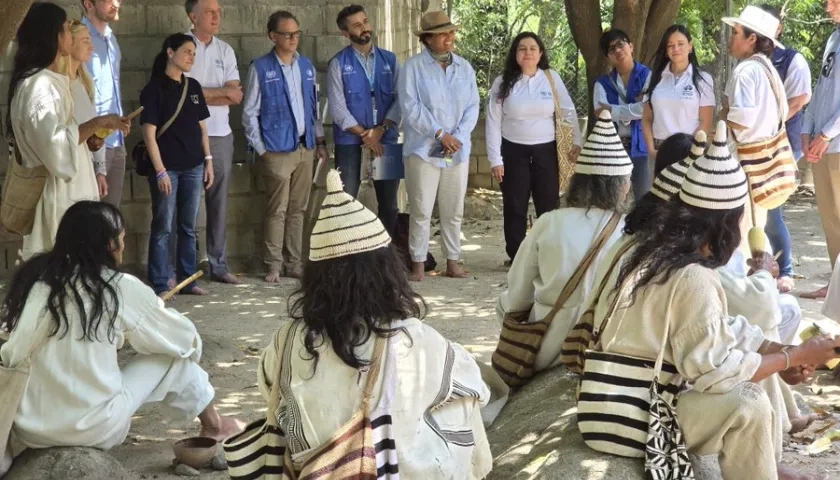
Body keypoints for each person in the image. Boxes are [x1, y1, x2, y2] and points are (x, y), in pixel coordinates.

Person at [582, 124, 838, 480]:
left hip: (603, 404)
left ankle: (769, 470)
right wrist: (791, 357)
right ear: (728, 223)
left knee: (750, 369)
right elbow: (717, 376)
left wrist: (781, 350)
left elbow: (717, 328)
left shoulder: (645, 250)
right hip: (637, 417)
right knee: (748, 401)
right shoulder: (692, 275)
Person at [254, 169, 492, 478]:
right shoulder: (415, 340)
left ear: (315, 278)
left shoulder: (286, 340)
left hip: (315, 471)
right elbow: (478, 388)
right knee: (461, 402)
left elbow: (268, 390)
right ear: (386, 271)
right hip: (389, 469)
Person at [0, 201, 244, 460]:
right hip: (94, 429)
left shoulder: (35, 283)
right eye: (122, 238)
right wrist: (153, 310)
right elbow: (183, 340)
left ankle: (215, 424)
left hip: (30, 430)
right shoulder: (118, 286)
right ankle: (216, 425)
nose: (124, 246)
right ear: (110, 245)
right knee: (174, 356)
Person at [495, 110, 630, 372]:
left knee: (503, 301)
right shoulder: (630, 231)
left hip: (546, 347)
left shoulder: (550, 222)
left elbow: (518, 293)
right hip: (604, 343)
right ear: (622, 187)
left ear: (577, 183)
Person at [7, 2, 128, 261]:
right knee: (62, 264)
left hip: (73, 192)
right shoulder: (40, 86)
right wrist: (96, 123)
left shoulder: (50, 81)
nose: (70, 36)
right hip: (59, 197)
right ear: (54, 36)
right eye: (65, 29)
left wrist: (90, 140)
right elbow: (56, 146)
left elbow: (67, 136)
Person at [242, 10, 328, 283]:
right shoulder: (260, 68)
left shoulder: (306, 66)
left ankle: (294, 263)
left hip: (305, 147)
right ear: (273, 36)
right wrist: (262, 150)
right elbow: (249, 113)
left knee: (298, 208)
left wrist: (319, 141)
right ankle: (273, 265)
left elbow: (314, 108)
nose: (293, 38)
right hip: (276, 150)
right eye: (287, 34)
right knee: (277, 209)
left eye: (296, 33)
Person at [486, 32, 582, 263]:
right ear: (515, 54)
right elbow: (493, 120)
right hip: (512, 151)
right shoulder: (502, 82)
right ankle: (517, 257)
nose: (527, 53)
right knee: (515, 205)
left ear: (540, 54)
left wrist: (577, 142)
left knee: (548, 204)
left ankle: (548, 256)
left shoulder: (551, 78)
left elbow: (568, 110)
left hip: (546, 151)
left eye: (532, 48)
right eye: (522, 48)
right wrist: (495, 159)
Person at [399, 11, 480, 281]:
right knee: (421, 208)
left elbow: (473, 106)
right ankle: (418, 263)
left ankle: (453, 261)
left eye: (451, 32)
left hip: (456, 148)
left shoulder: (464, 68)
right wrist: (440, 134)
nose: (449, 38)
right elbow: (410, 106)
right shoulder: (413, 67)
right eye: (442, 34)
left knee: (453, 208)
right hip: (423, 149)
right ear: (428, 39)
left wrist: (457, 137)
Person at [139, 33, 215, 297]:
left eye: (194, 53)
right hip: (167, 168)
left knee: (188, 226)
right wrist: (160, 170)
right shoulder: (154, 89)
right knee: (163, 225)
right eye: (186, 52)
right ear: (170, 53)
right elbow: (149, 133)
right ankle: (161, 281)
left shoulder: (193, 87)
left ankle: (188, 279)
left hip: (194, 165)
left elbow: (202, 128)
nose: (191, 57)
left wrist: (208, 160)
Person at [722, 6, 790, 271]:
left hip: (743, 164)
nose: (731, 38)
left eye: (736, 33)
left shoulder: (746, 71)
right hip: (766, 165)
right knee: (755, 229)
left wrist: (722, 118)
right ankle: (763, 279)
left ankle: (748, 283)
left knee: (739, 233)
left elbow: (742, 120)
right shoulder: (769, 71)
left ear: (752, 38)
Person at [327, 4, 401, 238]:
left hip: (386, 139)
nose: (364, 28)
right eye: (357, 25)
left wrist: (380, 130)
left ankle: (387, 252)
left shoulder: (390, 60)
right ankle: (349, 253)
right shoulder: (338, 63)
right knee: (346, 201)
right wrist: (366, 136)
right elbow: (338, 109)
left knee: (389, 204)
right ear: (345, 32)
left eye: (365, 21)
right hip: (349, 142)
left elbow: (400, 100)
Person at [183, 0, 244, 285]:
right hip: (187, 135)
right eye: (209, 12)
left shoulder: (225, 50)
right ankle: (187, 266)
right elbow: (182, 92)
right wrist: (218, 94)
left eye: (218, 11)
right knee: (188, 203)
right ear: (193, 16)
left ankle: (218, 265)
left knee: (218, 202)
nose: (216, 16)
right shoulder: (181, 46)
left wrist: (199, 94)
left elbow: (235, 94)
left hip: (220, 135)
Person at [755, 4, 813, 294]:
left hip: (782, 146)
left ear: (778, 28)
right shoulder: (749, 59)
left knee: (771, 209)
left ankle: (785, 269)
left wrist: (768, 125)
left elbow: (799, 99)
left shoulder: (792, 60)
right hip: (753, 147)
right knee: (754, 211)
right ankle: (759, 265)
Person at [801, 0, 840, 301]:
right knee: (830, 220)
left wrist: (827, 134)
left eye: (834, 1)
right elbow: (821, 90)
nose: (829, 7)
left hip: (834, 142)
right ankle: (837, 286)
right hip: (821, 145)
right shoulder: (833, 39)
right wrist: (807, 130)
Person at [642, 25, 714, 168]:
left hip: (690, 151)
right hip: (660, 150)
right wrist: (651, 149)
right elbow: (646, 118)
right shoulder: (653, 78)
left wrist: (691, 149)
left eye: (680, 44)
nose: (676, 48)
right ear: (666, 50)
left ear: (690, 46)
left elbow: (705, 122)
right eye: (670, 45)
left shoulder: (703, 79)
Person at [594, 29, 652, 200]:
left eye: (620, 44)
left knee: (643, 199)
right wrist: (635, 109)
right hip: (612, 150)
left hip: (642, 148)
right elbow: (600, 114)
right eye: (612, 49)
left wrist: (613, 110)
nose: (618, 50)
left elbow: (647, 109)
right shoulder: (602, 84)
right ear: (608, 57)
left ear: (631, 46)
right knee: (613, 201)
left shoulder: (648, 76)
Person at [82, 0, 126, 207]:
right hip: (93, 141)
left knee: (112, 215)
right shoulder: (79, 39)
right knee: (91, 215)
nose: (116, 3)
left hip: (117, 139)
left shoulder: (112, 39)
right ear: (88, 3)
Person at [58, 19, 108, 200]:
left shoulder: (84, 81)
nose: (91, 47)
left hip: (87, 168)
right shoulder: (57, 84)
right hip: (67, 174)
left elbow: (91, 125)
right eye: (85, 41)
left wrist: (100, 169)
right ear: (68, 42)